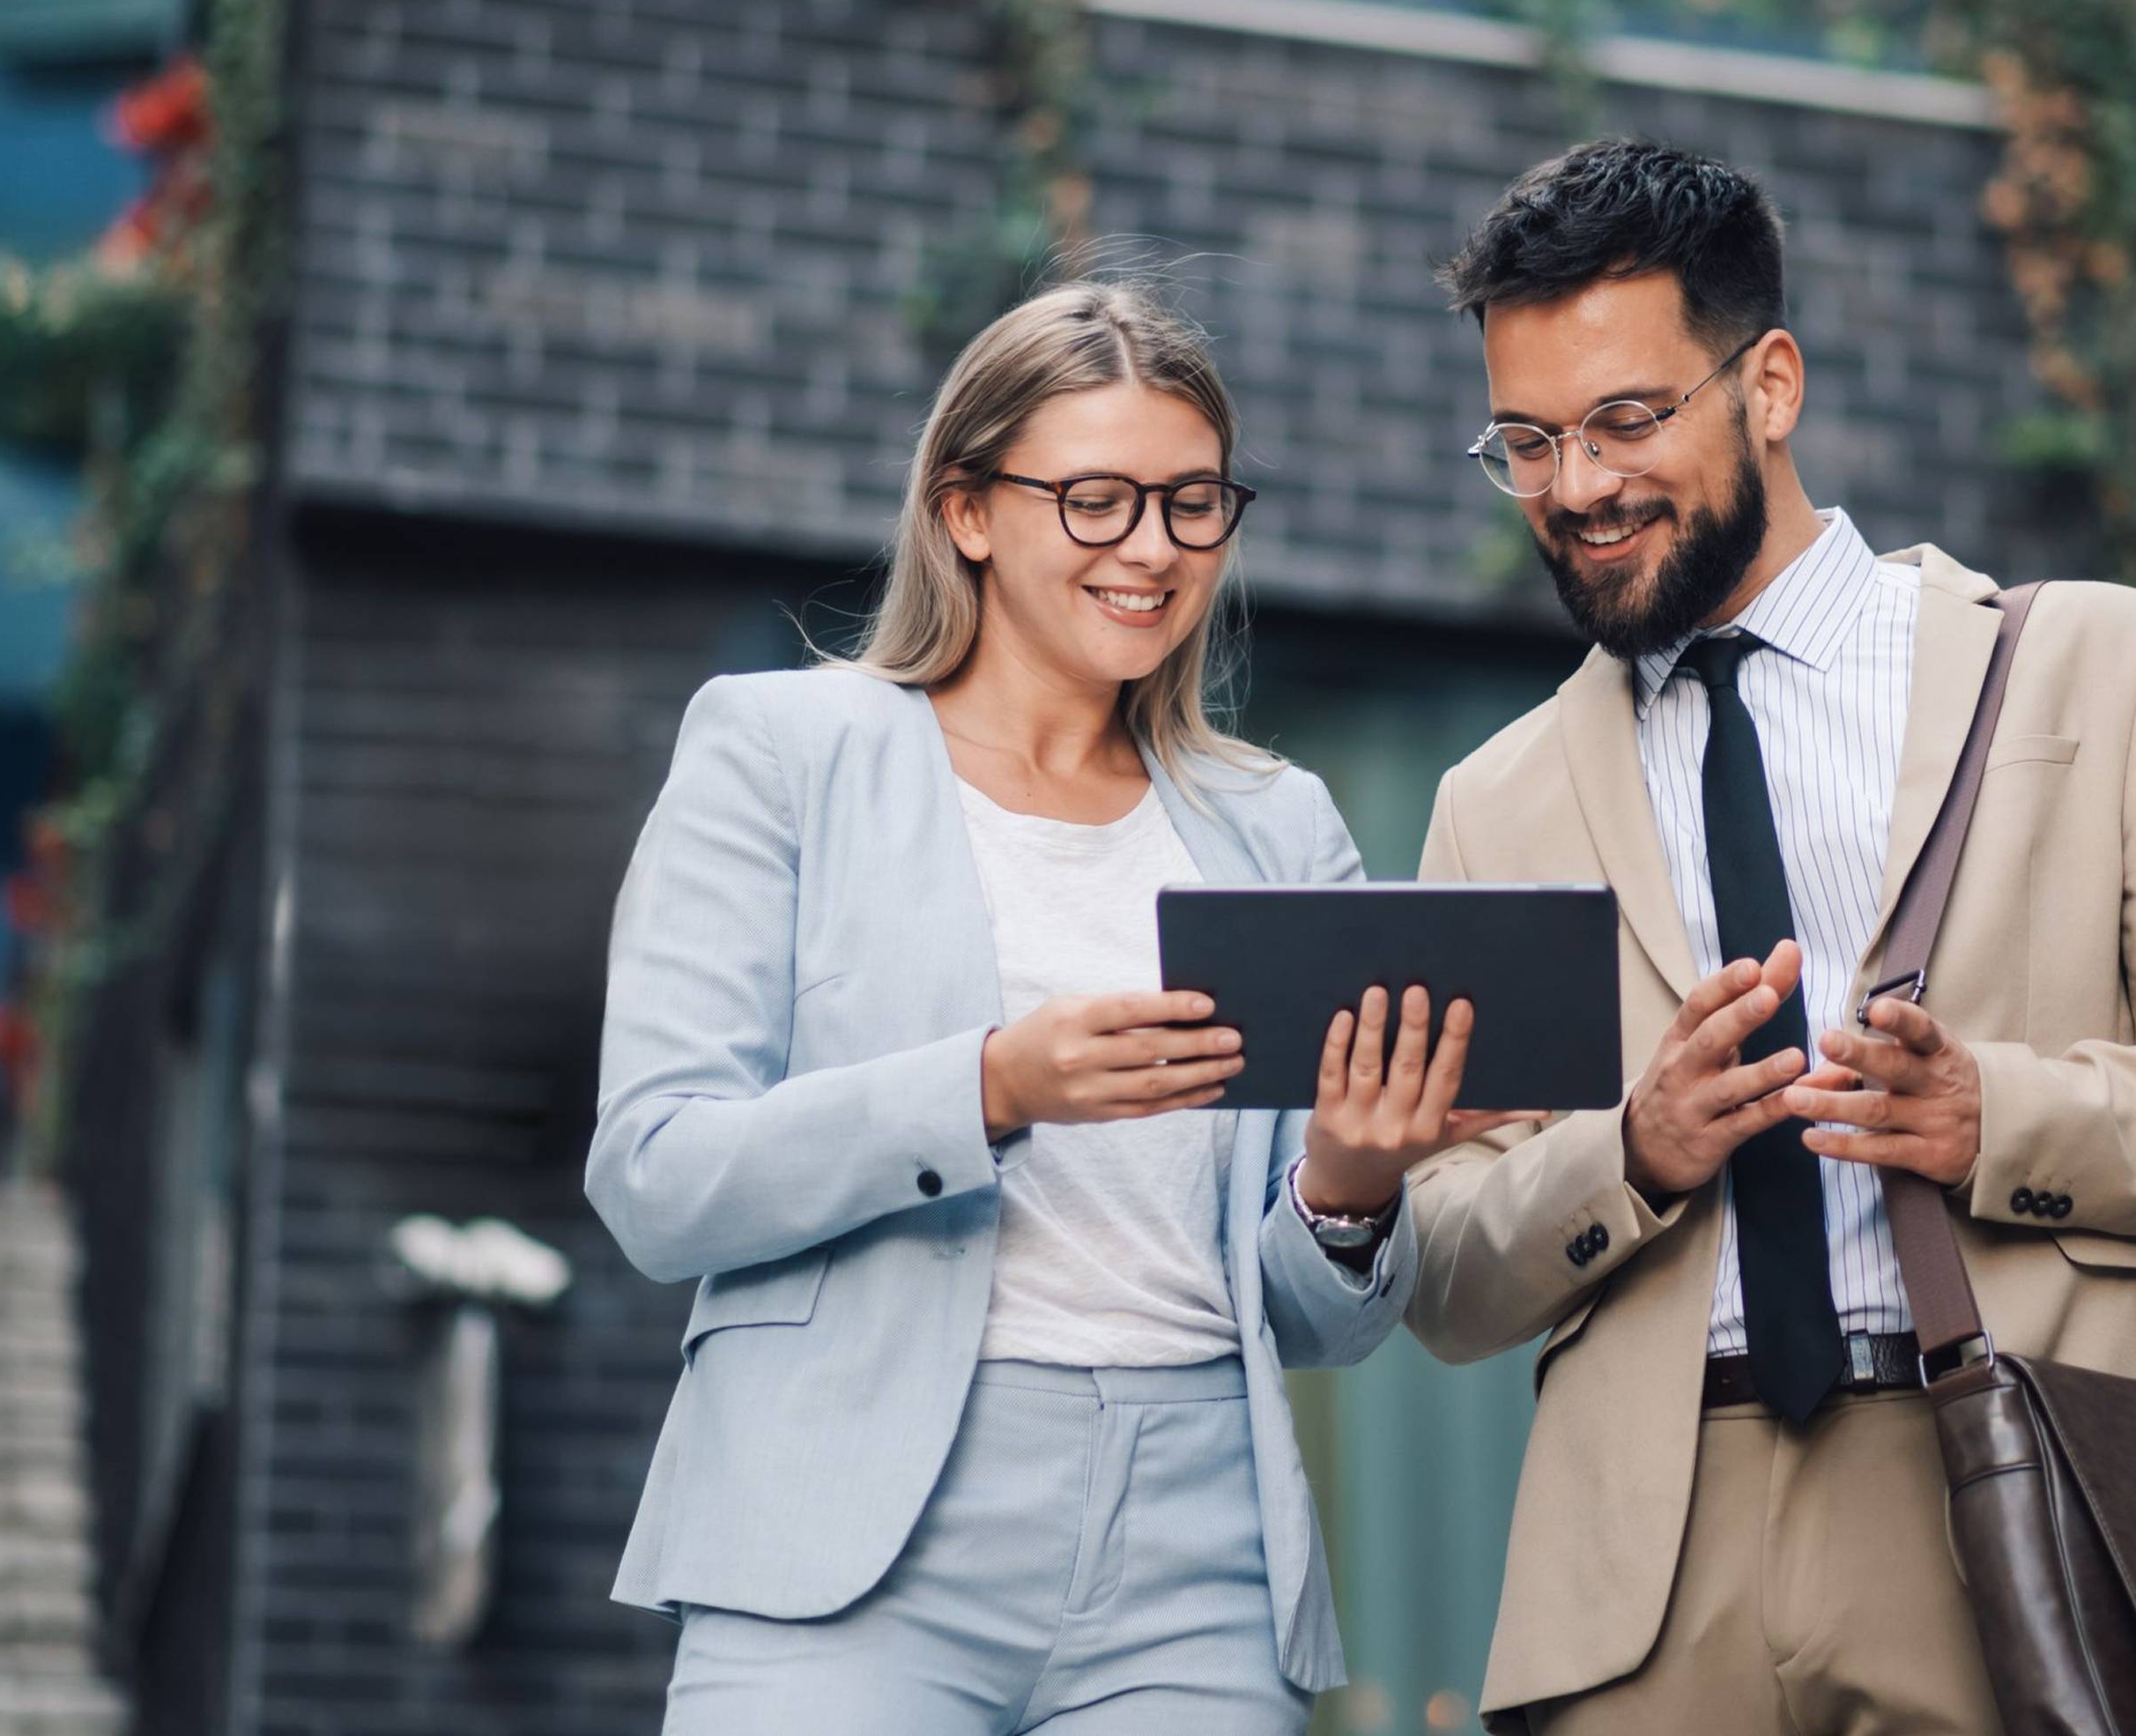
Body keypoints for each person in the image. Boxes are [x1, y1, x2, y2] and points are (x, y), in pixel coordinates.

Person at [1396, 144, 2136, 1734]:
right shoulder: (1490, 801)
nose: (1575, 487)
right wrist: (1630, 1153)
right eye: (1527, 442)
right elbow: (1440, 1267)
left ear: (1769, 383)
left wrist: (2003, 1115)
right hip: (1645, 1569)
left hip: (2030, 1492)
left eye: (1627, 419)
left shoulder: (2111, 670)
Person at [592, 279, 1506, 1735]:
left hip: (1197, 1547)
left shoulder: (1279, 827)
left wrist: (1352, 1177)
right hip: (846, 1535)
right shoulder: (780, 752)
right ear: (966, 509)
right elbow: (656, 1175)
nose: (1152, 548)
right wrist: (994, 1083)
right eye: (1096, 500)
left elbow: (1315, 1321)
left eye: (1193, 503)